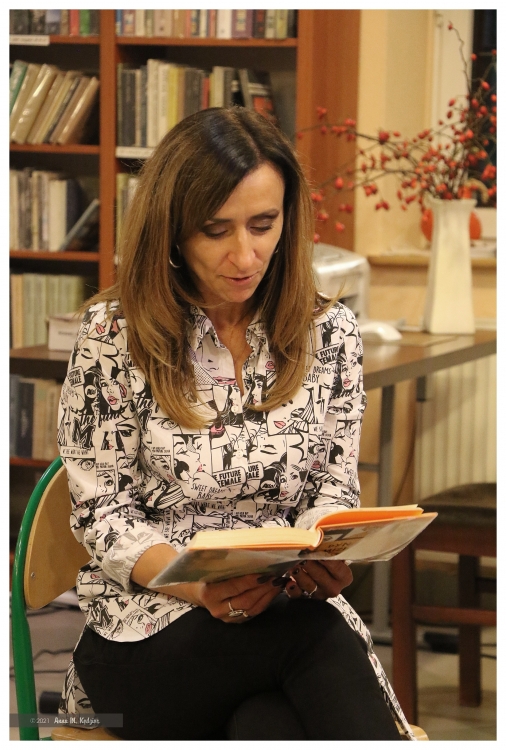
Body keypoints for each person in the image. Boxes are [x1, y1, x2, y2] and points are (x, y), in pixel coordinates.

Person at [57, 106, 413, 740]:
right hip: (144, 634)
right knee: (315, 639)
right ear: (172, 230)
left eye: (263, 224)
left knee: (269, 723)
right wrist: (199, 589)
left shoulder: (330, 334)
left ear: (288, 220)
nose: (245, 255)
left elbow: (333, 487)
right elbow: (100, 514)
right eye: (215, 230)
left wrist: (324, 554)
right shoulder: (113, 336)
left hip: (281, 618)